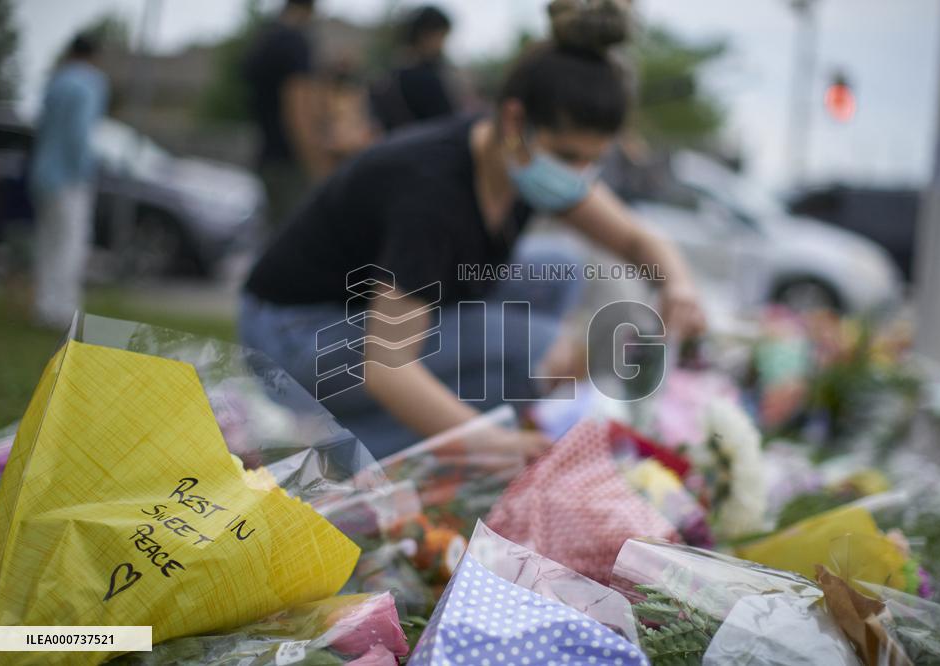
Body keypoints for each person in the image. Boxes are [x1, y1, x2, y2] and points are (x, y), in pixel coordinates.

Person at [240, 0, 705, 459]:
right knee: (536, 346)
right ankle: (328, 443)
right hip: (293, 337)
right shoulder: (433, 195)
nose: (578, 176)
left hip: (363, 316)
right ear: (514, 120)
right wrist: (492, 443)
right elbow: (387, 365)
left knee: (560, 270)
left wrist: (678, 285)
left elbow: (636, 238)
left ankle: (468, 414)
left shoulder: (516, 157)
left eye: (592, 160)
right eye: (567, 157)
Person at [28, 33, 108, 329]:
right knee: (71, 243)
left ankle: (44, 306)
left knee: (47, 243)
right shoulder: (91, 82)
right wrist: (85, 170)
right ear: (94, 55)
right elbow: (80, 133)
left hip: (42, 173)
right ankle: (65, 311)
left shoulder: (55, 81)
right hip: (70, 177)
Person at [242, 0, 322, 227]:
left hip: (267, 156)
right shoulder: (294, 42)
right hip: (289, 162)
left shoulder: (265, 40)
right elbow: (297, 109)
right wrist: (315, 164)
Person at [369, 5, 457, 132]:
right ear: (425, 35)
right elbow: (446, 124)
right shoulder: (425, 78)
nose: (442, 45)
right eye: (441, 37)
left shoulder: (391, 75)